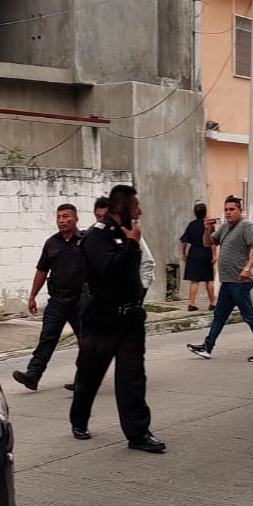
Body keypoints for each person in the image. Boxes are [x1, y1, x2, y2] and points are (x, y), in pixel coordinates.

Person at [70, 184, 165, 453]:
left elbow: (138, 270)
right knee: (89, 376)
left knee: (132, 377)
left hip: (130, 319)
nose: (140, 212)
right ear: (121, 209)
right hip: (101, 320)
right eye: (135, 207)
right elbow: (110, 270)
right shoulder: (94, 238)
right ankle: (79, 418)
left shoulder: (131, 235)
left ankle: (138, 433)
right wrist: (131, 244)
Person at [186, 196, 253, 362]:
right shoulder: (225, 227)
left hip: (239, 281)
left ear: (240, 210)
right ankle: (207, 347)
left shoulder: (246, 226)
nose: (228, 213)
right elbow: (207, 243)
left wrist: (247, 269)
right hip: (227, 281)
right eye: (226, 210)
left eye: (232, 209)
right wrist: (207, 229)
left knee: (249, 316)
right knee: (219, 315)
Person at [13, 204, 85, 392]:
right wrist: (32, 296)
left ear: (76, 219)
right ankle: (33, 375)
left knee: (86, 341)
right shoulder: (51, 243)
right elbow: (42, 270)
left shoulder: (86, 241)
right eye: (59, 217)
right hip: (58, 300)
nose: (61, 220)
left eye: (66, 216)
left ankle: (83, 380)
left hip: (81, 301)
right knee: (47, 338)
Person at [179, 203, 216, 311]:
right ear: (205, 212)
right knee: (209, 279)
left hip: (194, 252)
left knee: (194, 280)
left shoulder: (191, 225)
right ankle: (212, 303)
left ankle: (191, 303)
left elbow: (183, 240)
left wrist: (184, 253)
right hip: (206, 252)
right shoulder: (209, 225)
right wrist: (214, 255)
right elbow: (213, 242)